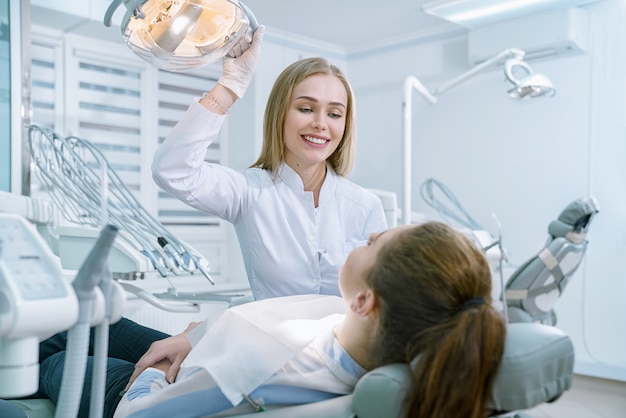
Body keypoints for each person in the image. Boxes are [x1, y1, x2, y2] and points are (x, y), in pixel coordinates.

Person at [107, 221, 506, 418]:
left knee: (61, 352)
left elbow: (135, 416)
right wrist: (196, 336)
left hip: (165, 384)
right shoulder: (362, 336)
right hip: (203, 360)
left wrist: (154, 372)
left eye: (372, 244)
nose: (364, 238)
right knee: (104, 326)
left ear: (365, 301)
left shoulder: (269, 362)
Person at [151, 25, 388, 300]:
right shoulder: (249, 192)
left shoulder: (366, 207)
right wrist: (230, 86)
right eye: (306, 109)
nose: (320, 124)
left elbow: (382, 299)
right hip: (270, 342)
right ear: (280, 115)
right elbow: (172, 170)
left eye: (335, 114)